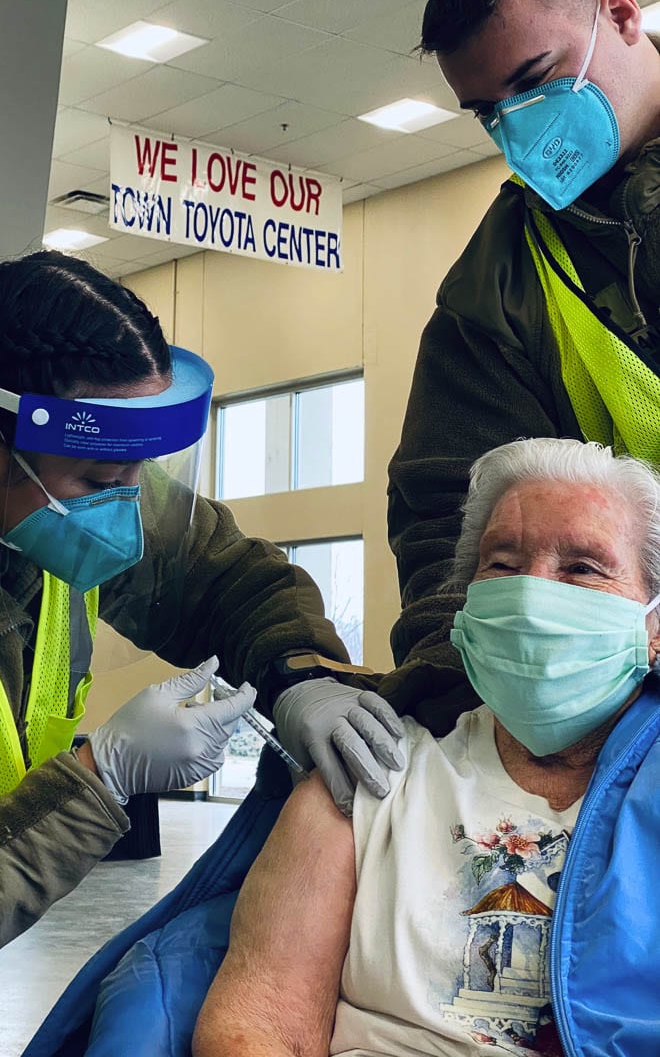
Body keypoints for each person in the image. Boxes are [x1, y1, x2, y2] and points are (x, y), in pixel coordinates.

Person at [0, 251, 400, 1057]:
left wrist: (301, 676)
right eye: (104, 479)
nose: (131, 508)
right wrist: (106, 778)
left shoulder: (45, 488)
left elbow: (225, 577)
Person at [193, 437, 660, 1057]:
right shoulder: (367, 778)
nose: (531, 596)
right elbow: (254, 1025)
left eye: (582, 567)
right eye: (502, 563)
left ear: (654, 627)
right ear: (464, 604)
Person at [385, 0, 660, 737]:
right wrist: (462, 691)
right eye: (487, 111)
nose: (518, 126)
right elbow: (449, 520)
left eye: (536, 81)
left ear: (618, 12)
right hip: (626, 714)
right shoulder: (499, 286)